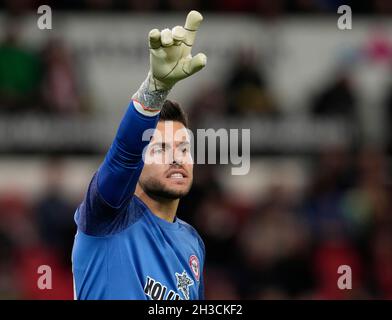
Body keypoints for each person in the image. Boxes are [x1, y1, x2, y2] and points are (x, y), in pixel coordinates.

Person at [72, 11, 207, 300]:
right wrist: (155, 91)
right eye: (159, 148)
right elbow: (124, 154)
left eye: (184, 148)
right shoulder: (107, 216)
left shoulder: (192, 242)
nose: (176, 158)